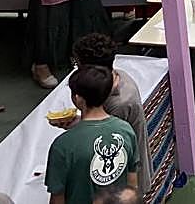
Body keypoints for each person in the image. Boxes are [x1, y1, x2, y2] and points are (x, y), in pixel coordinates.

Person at [44, 65, 138, 204]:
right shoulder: (126, 130)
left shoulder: (62, 145)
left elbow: (57, 198)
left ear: (78, 98)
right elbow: (132, 183)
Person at [70, 34, 149, 198]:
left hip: (122, 177)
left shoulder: (119, 103)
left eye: (78, 65)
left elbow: (102, 142)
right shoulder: (117, 76)